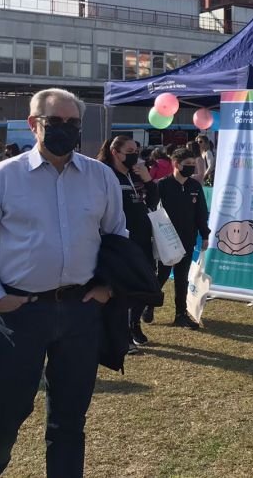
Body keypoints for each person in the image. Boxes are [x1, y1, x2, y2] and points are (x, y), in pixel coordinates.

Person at [0, 88, 126, 478]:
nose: (66, 130)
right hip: (22, 313)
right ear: (34, 125)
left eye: (73, 124)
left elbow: (118, 240)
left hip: (80, 313)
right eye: (56, 123)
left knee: (69, 419)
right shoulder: (3, 177)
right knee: (4, 414)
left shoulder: (100, 177)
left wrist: (106, 289)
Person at [97, 135, 159, 352]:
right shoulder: (106, 174)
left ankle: (134, 325)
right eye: (130, 151)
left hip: (142, 238)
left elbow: (152, 202)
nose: (135, 155)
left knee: (144, 283)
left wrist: (149, 180)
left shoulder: (136, 175)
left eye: (137, 151)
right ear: (115, 152)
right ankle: (121, 336)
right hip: (118, 240)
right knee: (120, 290)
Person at [156, 148, 209, 329]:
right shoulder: (162, 185)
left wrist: (205, 234)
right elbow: (152, 211)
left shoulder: (195, 186)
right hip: (166, 240)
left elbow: (201, 212)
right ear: (176, 164)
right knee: (161, 275)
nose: (191, 168)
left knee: (181, 277)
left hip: (188, 238)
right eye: (187, 165)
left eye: (193, 165)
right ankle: (147, 304)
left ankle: (180, 314)